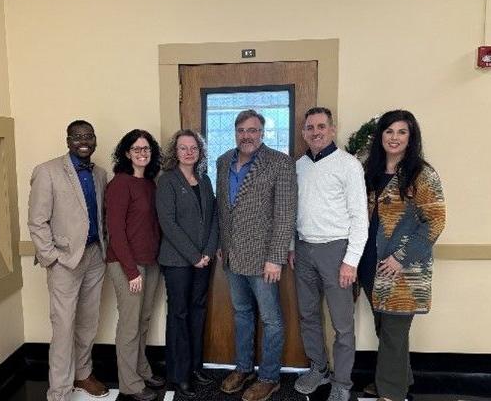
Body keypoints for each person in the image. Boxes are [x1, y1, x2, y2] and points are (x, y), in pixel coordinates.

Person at [358, 110, 446, 401]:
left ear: (411, 138)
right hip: (370, 262)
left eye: (401, 132)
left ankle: (391, 392)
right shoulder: (369, 170)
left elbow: (435, 220)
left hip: (402, 269)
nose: (394, 138)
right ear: (380, 135)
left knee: (394, 332)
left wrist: (400, 258)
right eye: (389, 131)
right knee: (385, 328)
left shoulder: (422, 173)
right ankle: (398, 378)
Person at [217, 109, 297, 401]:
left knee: (272, 319)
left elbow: (285, 213)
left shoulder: (280, 163)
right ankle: (243, 367)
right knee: (241, 314)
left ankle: (269, 377)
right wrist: (220, 243)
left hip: (265, 259)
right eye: (241, 130)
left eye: (253, 130)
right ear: (235, 133)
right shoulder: (223, 160)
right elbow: (223, 207)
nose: (247, 136)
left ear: (261, 133)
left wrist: (276, 256)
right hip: (232, 256)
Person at [290, 107, 368, 401]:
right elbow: (292, 211)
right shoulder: (299, 166)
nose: (315, 132)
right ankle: (318, 369)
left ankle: (342, 382)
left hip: (337, 252)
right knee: (308, 315)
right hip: (304, 249)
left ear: (332, 130)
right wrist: (291, 246)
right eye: (309, 127)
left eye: (321, 126)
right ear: (303, 133)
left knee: (342, 323)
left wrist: (351, 261)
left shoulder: (348, 165)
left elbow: (360, 217)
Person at [28, 120, 109, 401]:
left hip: (95, 256)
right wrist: (51, 258)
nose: (83, 141)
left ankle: (83, 374)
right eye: (77, 137)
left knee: (88, 322)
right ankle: (59, 391)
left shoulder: (100, 174)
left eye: (88, 136)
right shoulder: (47, 171)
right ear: (68, 140)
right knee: (63, 327)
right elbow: (37, 221)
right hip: (63, 261)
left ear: (95, 139)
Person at [156, 129, 219, 397]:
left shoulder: (204, 180)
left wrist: (207, 251)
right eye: (183, 148)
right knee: (179, 314)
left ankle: (194, 367)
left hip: (204, 260)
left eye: (193, 147)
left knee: (198, 311)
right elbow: (168, 224)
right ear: (175, 152)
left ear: (200, 151)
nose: (189, 152)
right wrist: (194, 256)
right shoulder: (167, 181)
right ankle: (178, 374)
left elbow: (214, 218)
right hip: (177, 262)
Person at [105, 129, 165, 401]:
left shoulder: (151, 184)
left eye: (147, 149)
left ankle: (142, 370)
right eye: (137, 149)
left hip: (150, 262)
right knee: (129, 325)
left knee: (143, 321)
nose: (143, 153)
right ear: (127, 153)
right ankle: (130, 384)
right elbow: (115, 231)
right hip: (126, 264)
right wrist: (131, 271)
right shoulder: (120, 184)